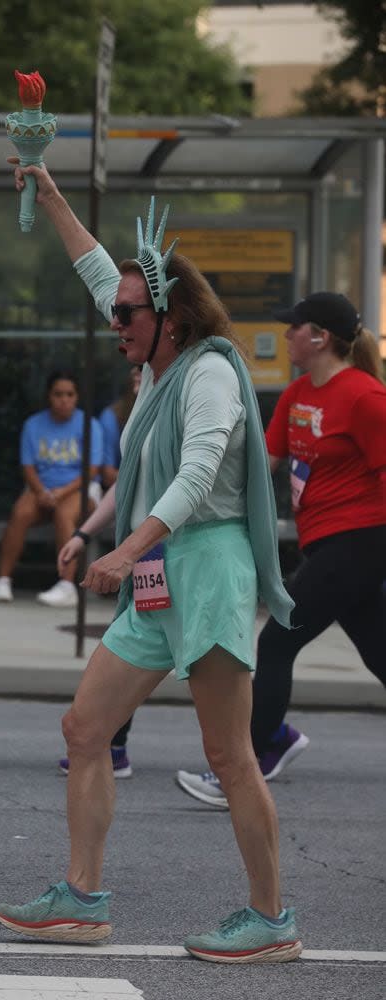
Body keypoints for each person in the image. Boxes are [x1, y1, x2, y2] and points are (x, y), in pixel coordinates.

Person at [0, 162, 302, 964]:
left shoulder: (206, 375)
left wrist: (125, 548)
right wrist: (49, 192)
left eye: (128, 312)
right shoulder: (153, 366)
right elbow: (98, 268)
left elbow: (196, 475)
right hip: (159, 571)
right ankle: (80, 899)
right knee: (85, 727)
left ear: (170, 315)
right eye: (116, 310)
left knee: (228, 755)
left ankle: (270, 919)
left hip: (205, 566)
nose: (114, 320)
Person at [176, 291, 386, 807]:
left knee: (276, 642)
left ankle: (249, 762)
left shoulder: (365, 397)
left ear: (321, 337)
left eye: (296, 327)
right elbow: (260, 466)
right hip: (327, 544)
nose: (287, 334)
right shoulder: (297, 396)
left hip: (362, 539)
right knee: (380, 650)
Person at [58, 366, 142, 779]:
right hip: (151, 559)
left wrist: (130, 550)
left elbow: (189, 487)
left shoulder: (185, 413)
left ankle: (249, 750)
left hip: (189, 557)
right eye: (134, 374)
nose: (137, 378)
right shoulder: (139, 417)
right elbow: (124, 482)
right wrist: (83, 533)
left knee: (207, 667)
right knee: (126, 646)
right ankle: (110, 745)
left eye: (145, 372)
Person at [0, 370, 103, 608]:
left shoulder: (90, 425)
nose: (64, 399)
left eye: (70, 394)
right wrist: (42, 492)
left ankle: (66, 586)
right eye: (58, 394)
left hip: (81, 490)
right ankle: (3, 579)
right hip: (41, 490)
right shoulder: (33, 424)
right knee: (20, 513)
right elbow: (28, 466)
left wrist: (60, 493)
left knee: (64, 514)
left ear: (77, 397)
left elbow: (91, 471)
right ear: (48, 397)